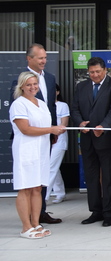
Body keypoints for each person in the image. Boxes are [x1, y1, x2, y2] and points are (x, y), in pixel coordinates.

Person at [10, 72, 65, 239]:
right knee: (25, 188)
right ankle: (26, 227)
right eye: (28, 85)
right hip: (26, 150)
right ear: (21, 86)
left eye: (35, 84)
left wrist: (52, 131)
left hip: (41, 150)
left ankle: (36, 224)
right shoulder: (18, 104)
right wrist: (51, 129)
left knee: (37, 188)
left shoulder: (41, 103)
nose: (33, 87)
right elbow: (25, 129)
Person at [71, 57, 111, 227]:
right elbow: (75, 109)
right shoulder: (81, 86)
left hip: (108, 139)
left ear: (105, 70)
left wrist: (104, 126)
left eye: (98, 71)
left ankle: (108, 213)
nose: (95, 75)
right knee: (91, 176)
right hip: (87, 139)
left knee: (108, 177)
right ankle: (95, 211)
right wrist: (80, 123)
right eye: (91, 72)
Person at [25, 43, 62, 225]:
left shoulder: (49, 78)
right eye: (40, 58)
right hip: (29, 137)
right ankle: (29, 217)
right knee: (30, 178)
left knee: (43, 174)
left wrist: (53, 131)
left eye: (45, 57)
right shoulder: (22, 79)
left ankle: (41, 212)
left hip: (47, 136)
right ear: (29, 59)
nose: (44, 61)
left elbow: (52, 107)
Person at [46, 84, 69, 204]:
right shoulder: (43, 105)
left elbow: (64, 124)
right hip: (46, 139)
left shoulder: (63, 105)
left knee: (51, 168)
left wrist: (55, 130)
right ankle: (60, 193)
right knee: (54, 168)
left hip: (59, 140)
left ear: (58, 92)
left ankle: (44, 197)